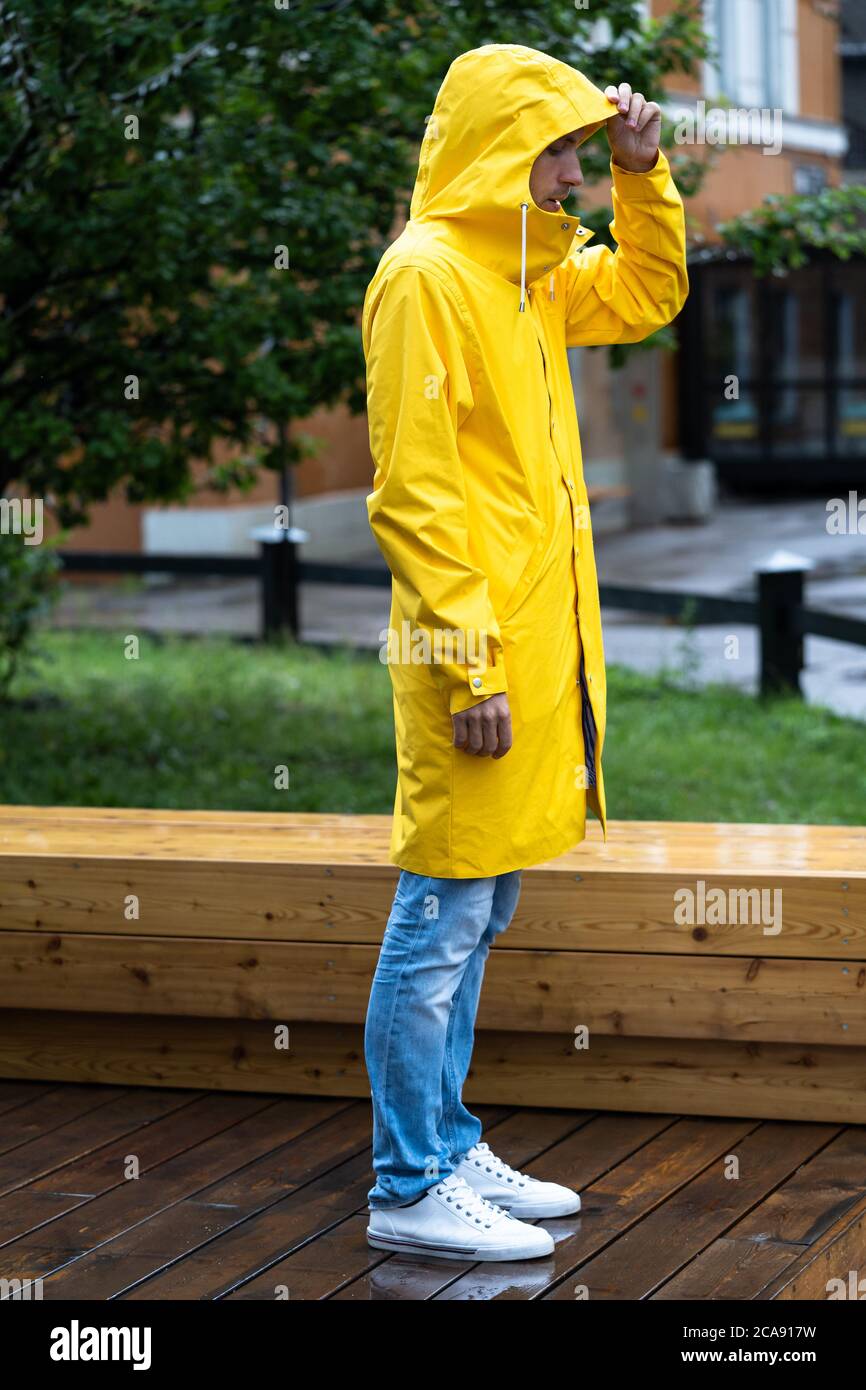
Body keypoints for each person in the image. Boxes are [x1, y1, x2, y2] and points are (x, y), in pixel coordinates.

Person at [361, 43, 688, 1261]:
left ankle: (445, 1141)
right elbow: (414, 494)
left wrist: (643, 172)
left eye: (573, 155)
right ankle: (405, 1182)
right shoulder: (425, 277)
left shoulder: (530, 276)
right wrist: (466, 665)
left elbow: (649, 294)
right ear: (500, 153)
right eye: (555, 153)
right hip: (475, 658)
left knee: (482, 906)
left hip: (536, 649)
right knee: (440, 910)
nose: (571, 178)